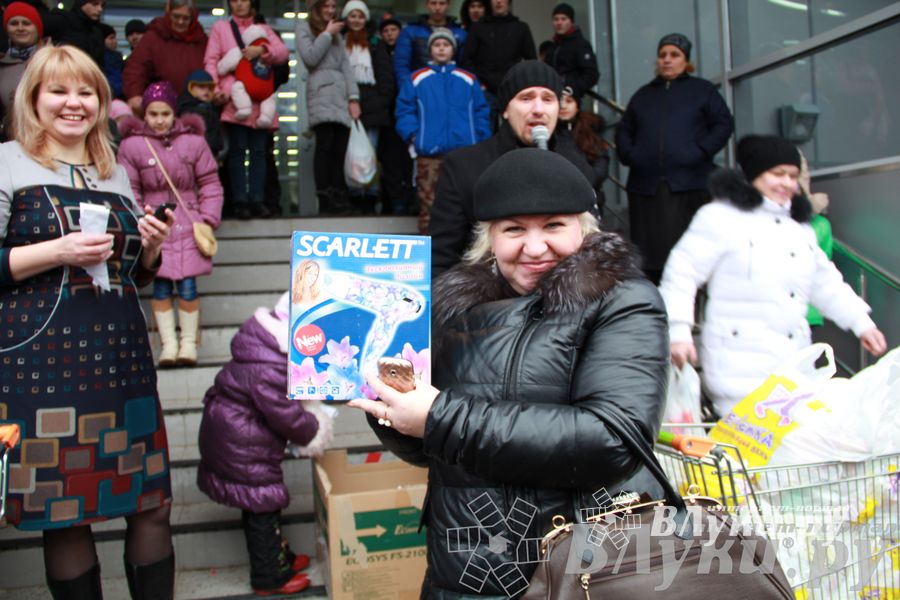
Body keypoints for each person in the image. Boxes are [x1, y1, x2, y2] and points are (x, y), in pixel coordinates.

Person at [349, 148, 669, 598]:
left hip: (584, 574)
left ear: (583, 226)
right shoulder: (452, 310)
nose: (534, 248)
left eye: (554, 225)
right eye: (514, 229)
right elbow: (432, 450)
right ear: (489, 237)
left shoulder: (623, 301)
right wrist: (389, 405)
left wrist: (439, 416)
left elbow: (612, 439)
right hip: (464, 574)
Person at [0, 45, 175, 598]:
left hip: (123, 362)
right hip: (43, 367)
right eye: (58, 90)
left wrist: (149, 251)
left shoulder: (115, 171)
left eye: (87, 92)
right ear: (33, 98)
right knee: (67, 515)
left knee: (153, 504)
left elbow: (129, 273)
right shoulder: (6, 161)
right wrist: (58, 251)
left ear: (101, 103)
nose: (73, 103)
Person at [660, 135, 888, 418]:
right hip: (738, 367)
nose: (787, 184)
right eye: (777, 174)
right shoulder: (718, 217)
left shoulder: (798, 228)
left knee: (792, 455)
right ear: (754, 174)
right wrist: (679, 331)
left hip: (792, 367)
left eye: (793, 176)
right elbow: (682, 273)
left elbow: (825, 282)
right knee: (747, 454)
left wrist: (861, 323)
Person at [197, 292, 332, 596]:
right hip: (241, 442)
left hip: (238, 434)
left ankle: (277, 556)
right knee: (262, 506)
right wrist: (313, 428)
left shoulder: (266, 345)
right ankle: (269, 575)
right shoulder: (270, 364)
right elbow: (284, 415)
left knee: (259, 505)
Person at [428, 59, 593, 277]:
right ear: (505, 109)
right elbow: (441, 256)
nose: (538, 109)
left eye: (548, 99)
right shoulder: (463, 166)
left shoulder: (577, 165)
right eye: (526, 98)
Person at [117, 81, 223, 368]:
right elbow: (129, 188)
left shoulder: (194, 142)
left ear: (174, 113)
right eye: (153, 114)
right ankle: (169, 346)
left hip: (189, 222)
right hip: (156, 225)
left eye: (165, 113)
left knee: (188, 286)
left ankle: (188, 344)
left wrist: (209, 217)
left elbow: (210, 182)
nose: (160, 119)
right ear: (144, 114)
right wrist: (141, 219)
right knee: (161, 286)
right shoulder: (132, 145)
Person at [615, 33, 734, 284]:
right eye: (662, 55)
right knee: (649, 260)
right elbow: (624, 131)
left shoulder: (703, 91)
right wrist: (631, 155)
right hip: (646, 190)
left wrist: (700, 151)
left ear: (686, 61)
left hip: (690, 186)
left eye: (674, 55)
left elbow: (723, 123)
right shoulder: (642, 96)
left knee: (687, 259)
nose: (667, 60)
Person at [395, 28, 490, 234]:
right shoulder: (417, 78)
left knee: (470, 204)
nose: (441, 49)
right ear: (430, 49)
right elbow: (404, 110)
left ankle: (468, 258)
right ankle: (428, 255)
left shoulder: (468, 78)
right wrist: (414, 137)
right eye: (436, 45)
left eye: (445, 45)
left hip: (466, 154)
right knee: (428, 205)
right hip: (429, 154)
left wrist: (481, 140)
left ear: (453, 49)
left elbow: (482, 112)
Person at [204, 0, 288, 220]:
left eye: (244, 0)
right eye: (234, 0)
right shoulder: (221, 28)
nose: (239, 4)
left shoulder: (264, 29)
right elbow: (211, 61)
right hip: (235, 100)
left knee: (260, 153)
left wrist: (261, 49)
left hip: (261, 103)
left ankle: (258, 200)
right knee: (237, 152)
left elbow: (282, 53)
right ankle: (240, 201)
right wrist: (214, 89)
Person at [296, 0, 359, 215]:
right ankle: (325, 198)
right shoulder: (305, 27)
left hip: (340, 96)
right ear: (317, 7)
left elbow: (345, 66)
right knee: (325, 146)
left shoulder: (336, 32)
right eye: (327, 6)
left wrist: (354, 98)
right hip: (321, 93)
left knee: (340, 148)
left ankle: (340, 195)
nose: (331, 11)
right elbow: (310, 58)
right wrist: (326, 34)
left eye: (334, 7)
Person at [342, 0, 394, 214]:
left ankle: (370, 195)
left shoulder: (375, 42)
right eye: (352, 16)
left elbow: (385, 76)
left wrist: (379, 102)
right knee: (349, 154)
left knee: (368, 155)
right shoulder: (339, 41)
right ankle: (353, 195)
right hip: (344, 106)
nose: (356, 20)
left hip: (372, 109)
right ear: (346, 18)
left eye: (360, 16)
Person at [123, 0, 209, 117]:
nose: (180, 21)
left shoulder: (201, 40)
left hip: (197, 108)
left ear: (193, 19)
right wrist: (134, 94)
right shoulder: (153, 37)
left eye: (186, 18)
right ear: (168, 14)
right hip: (161, 109)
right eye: (176, 16)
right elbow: (136, 68)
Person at [460, 0, 536, 127]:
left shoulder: (521, 28)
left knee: (515, 132)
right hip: (485, 91)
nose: (499, 2)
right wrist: (479, 84)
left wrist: (522, 84)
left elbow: (531, 60)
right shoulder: (478, 28)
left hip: (513, 89)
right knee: (486, 132)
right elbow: (467, 60)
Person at [375, 15, 414, 216]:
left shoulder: (409, 55)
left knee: (406, 161)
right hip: (387, 118)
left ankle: (407, 199)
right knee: (389, 162)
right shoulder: (377, 53)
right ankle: (393, 201)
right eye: (386, 31)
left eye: (393, 30)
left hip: (406, 116)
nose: (390, 34)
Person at [558, 86, 608, 210]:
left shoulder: (591, 134)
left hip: (589, 202)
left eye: (569, 101)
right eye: (559, 101)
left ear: (577, 106)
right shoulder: (544, 135)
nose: (563, 106)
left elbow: (600, 169)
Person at [392, 0, 466, 84]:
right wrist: (409, 91)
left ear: (448, 5)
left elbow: (465, 67)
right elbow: (401, 66)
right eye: (433, 3)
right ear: (426, 5)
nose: (437, 8)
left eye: (442, 3)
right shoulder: (410, 31)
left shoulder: (461, 34)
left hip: (452, 87)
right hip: (418, 87)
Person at [0, 2, 44, 140]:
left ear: (37, 28)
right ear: (7, 29)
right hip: (11, 141)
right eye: (14, 23)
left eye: (26, 23)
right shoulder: (2, 64)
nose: (20, 28)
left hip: (48, 138)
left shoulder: (54, 59)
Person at [542, 3, 599, 100]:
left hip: (571, 99)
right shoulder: (553, 47)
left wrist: (573, 89)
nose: (559, 22)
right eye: (556, 19)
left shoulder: (580, 45)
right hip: (553, 96)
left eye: (563, 19)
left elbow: (591, 75)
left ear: (571, 22)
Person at [177, 68, 226, 160]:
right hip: (192, 154)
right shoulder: (185, 109)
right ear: (190, 88)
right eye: (201, 87)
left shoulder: (211, 108)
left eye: (210, 88)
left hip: (212, 153)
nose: (207, 91)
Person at [42, 0, 105, 67]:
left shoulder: (97, 32)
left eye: (102, 5)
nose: (100, 9)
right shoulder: (62, 21)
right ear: (82, 4)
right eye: (94, 4)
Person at [99, 22, 124, 99]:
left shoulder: (117, 58)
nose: (115, 41)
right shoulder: (101, 59)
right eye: (111, 38)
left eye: (115, 38)